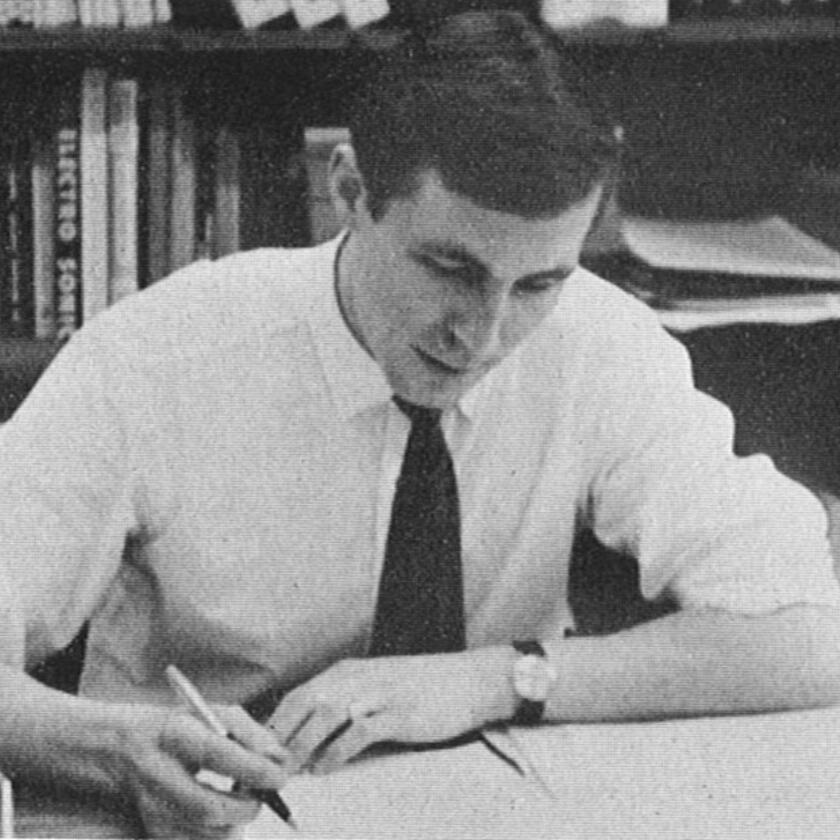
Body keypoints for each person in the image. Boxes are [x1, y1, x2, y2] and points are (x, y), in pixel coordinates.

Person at [1, 9, 839, 838]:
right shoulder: (159, 359)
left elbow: (809, 633)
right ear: (351, 193)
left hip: (491, 813)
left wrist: (498, 681)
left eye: (539, 284)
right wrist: (114, 749)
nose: (485, 335)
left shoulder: (600, 342)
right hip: (188, 820)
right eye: (451, 268)